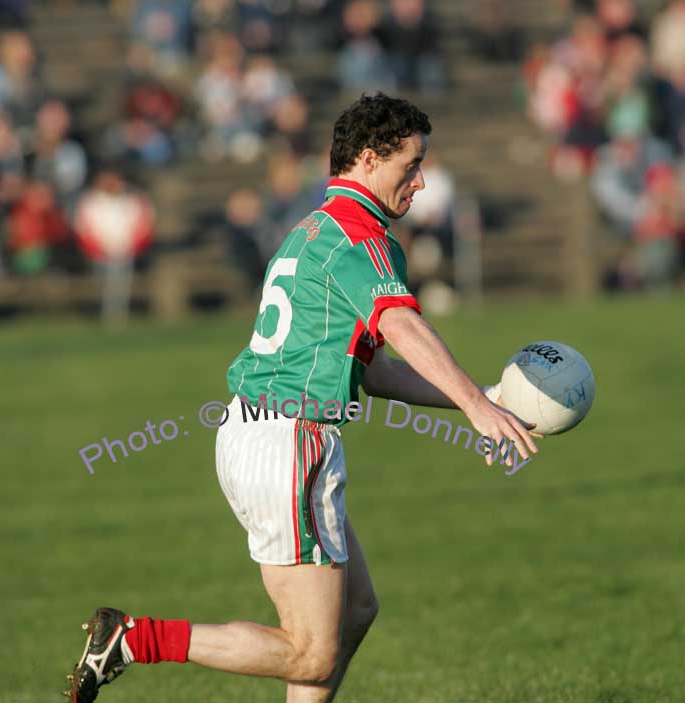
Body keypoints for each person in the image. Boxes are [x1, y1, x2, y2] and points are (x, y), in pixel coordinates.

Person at [64, 93, 540, 703]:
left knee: (356, 609)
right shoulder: (358, 236)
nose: (420, 183)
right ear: (369, 159)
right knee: (312, 654)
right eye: (410, 165)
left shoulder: (313, 229)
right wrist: (477, 407)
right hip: (289, 443)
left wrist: (487, 397)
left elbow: (376, 373)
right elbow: (400, 324)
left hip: (260, 433)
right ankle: (133, 639)